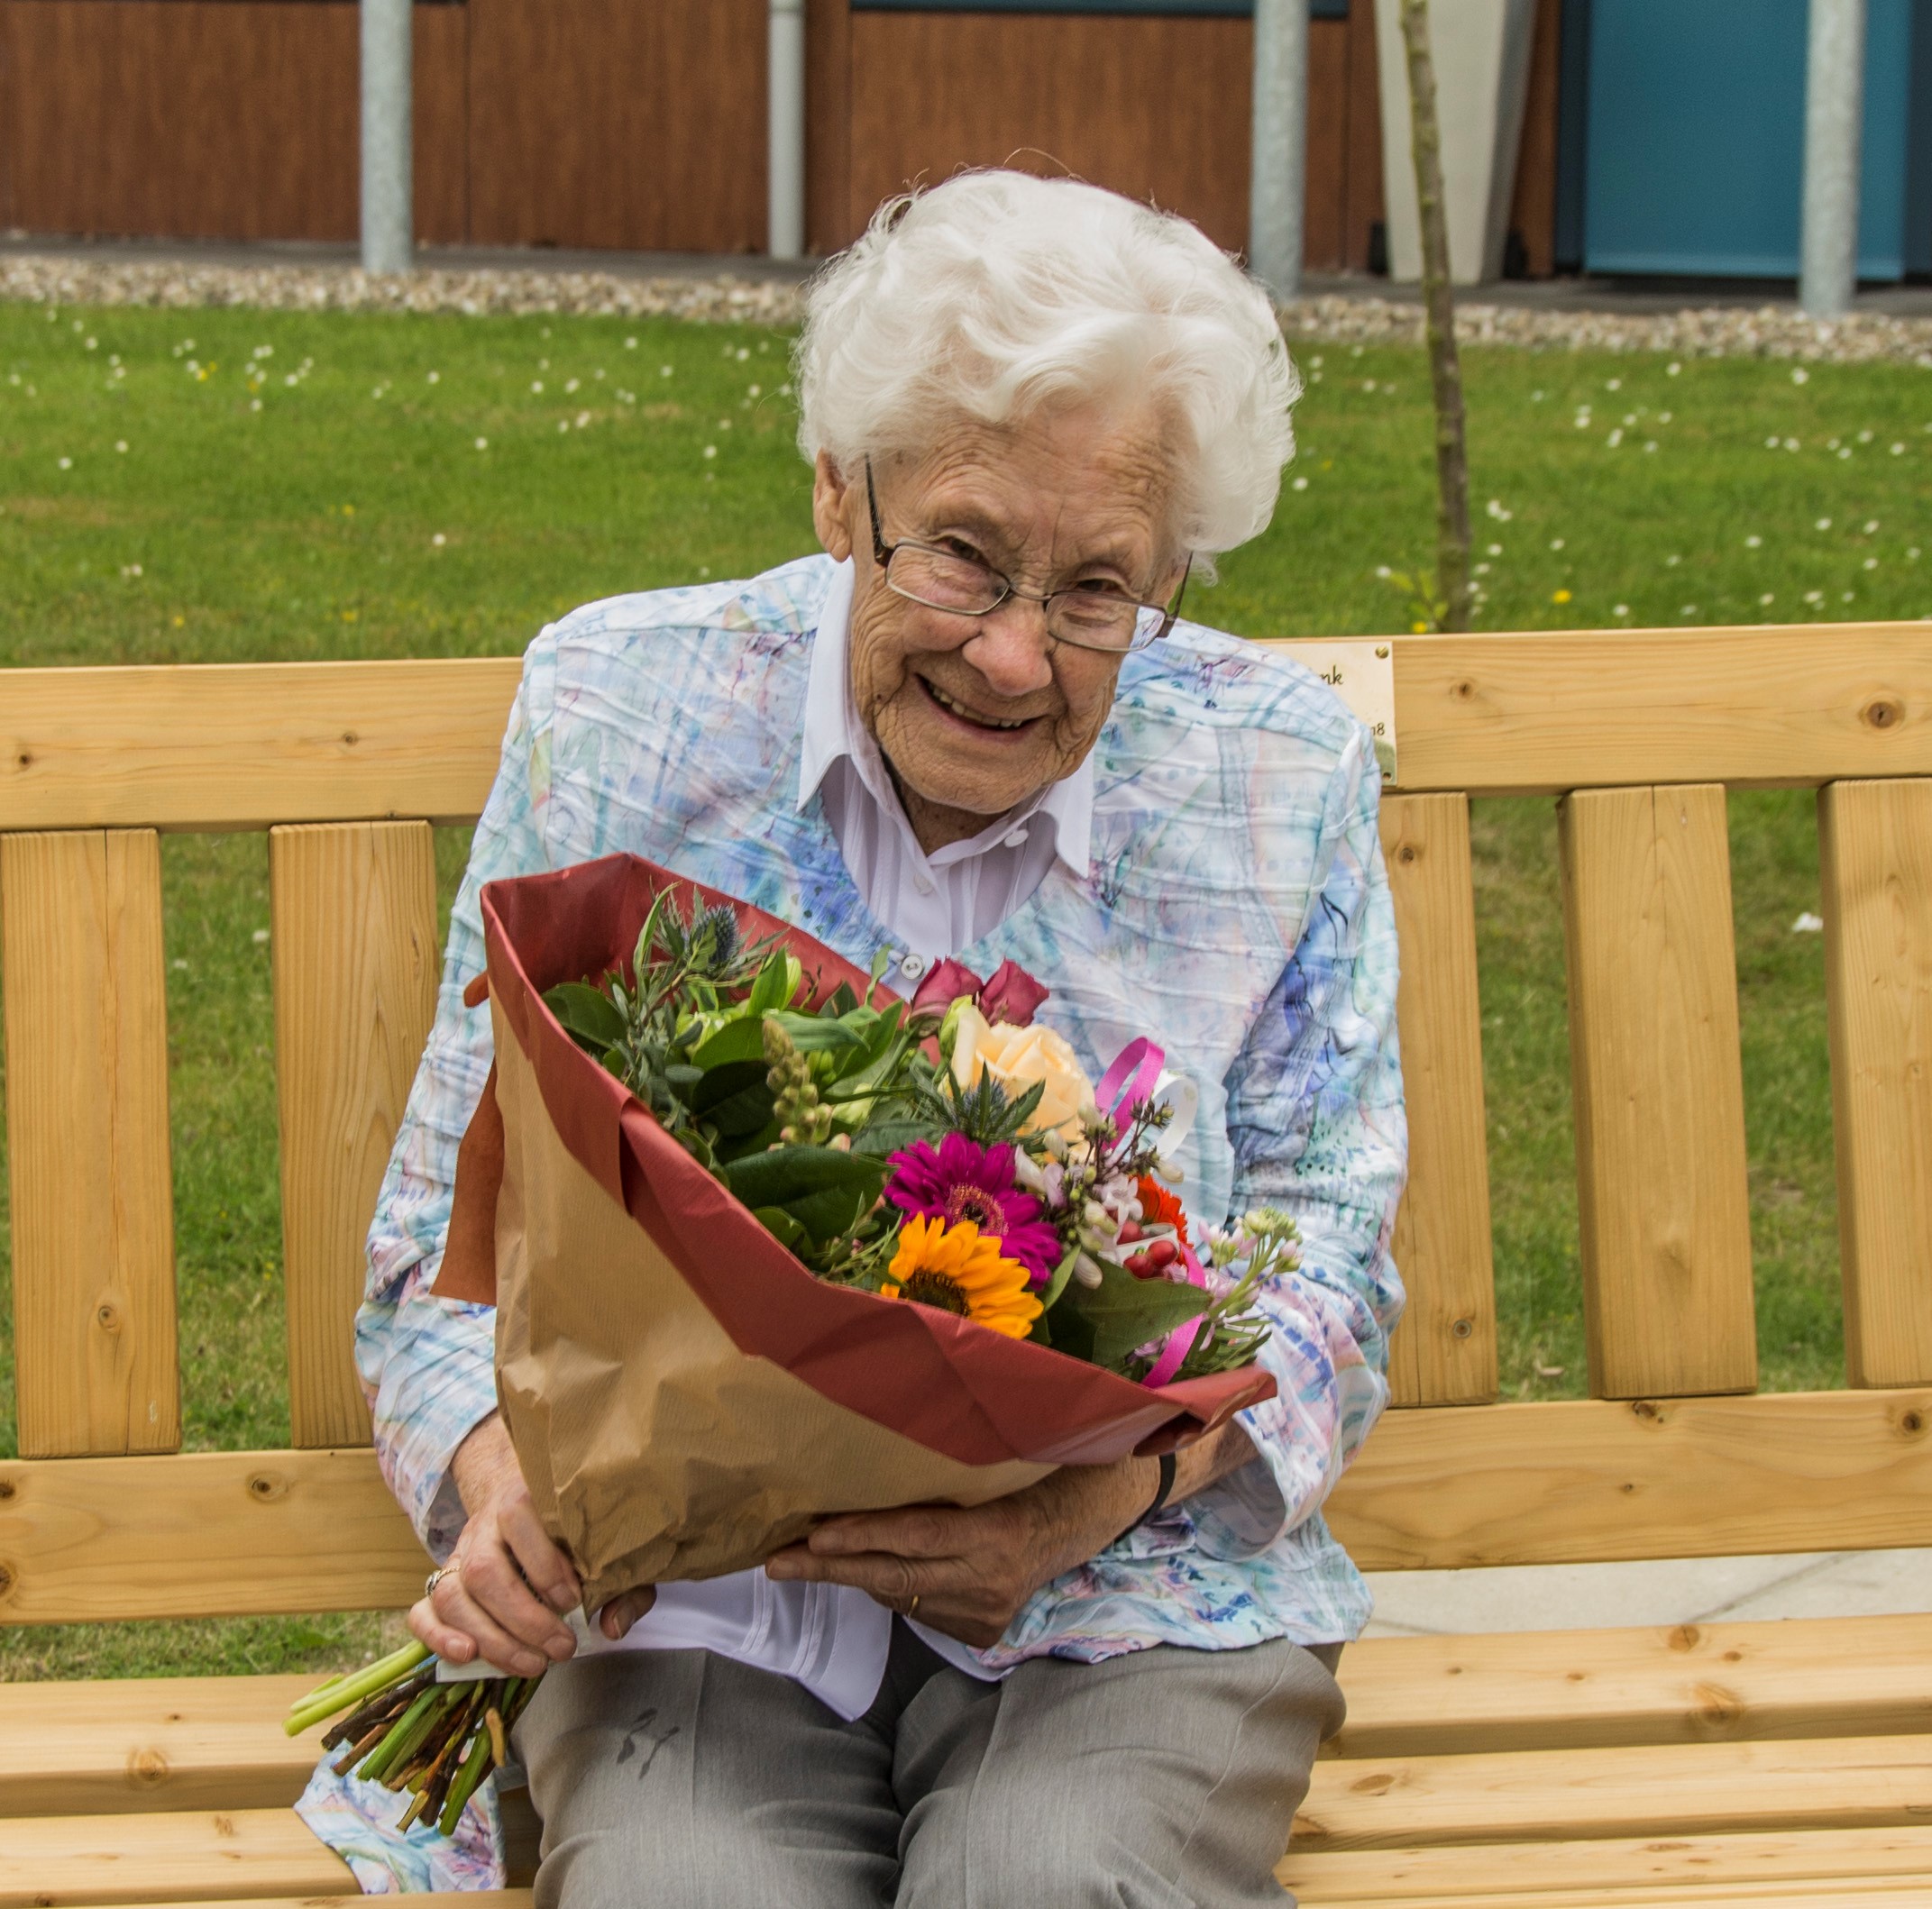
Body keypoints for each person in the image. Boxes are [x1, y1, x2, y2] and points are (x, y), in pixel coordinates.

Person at [354, 169, 1406, 1907]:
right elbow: (438, 1259)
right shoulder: (627, 707)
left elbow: (1331, 1267)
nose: (1013, 655)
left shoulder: (1272, 773)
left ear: (1175, 580)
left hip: (1119, 1602)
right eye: (964, 554)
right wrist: (499, 1492)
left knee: (1050, 1886)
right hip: (692, 1595)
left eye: (1097, 591)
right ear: (841, 491)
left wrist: (1088, 1508)